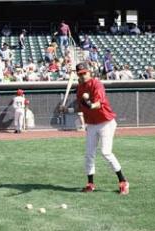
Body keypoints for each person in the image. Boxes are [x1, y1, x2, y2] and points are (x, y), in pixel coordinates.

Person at [61, 62, 129, 195]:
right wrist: (66, 109)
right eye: (80, 74)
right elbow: (80, 108)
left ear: (89, 72)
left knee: (106, 152)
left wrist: (90, 105)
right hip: (91, 124)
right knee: (89, 154)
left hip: (105, 122)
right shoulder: (80, 88)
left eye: (85, 73)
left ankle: (123, 182)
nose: (83, 76)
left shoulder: (96, 84)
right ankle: (90, 184)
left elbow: (98, 104)